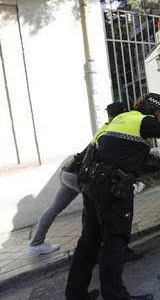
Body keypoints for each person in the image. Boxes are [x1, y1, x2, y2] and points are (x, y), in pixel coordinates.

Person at [66, 93, 160, 300]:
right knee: (114, 241)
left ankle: (75, 294)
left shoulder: (120, 120)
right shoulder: (144, 121)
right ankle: (115, 296)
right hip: (112, 188)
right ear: (156, 110)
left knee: (89, 240)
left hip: (90, 184)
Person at [27, 102, 128, 257]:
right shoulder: (115, 130)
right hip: (79, 174)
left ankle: (35, 244)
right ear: (124, 114)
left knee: (55, 207)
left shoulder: (104, 128)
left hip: (69, 170)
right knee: (100, 206)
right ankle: (98, 245)